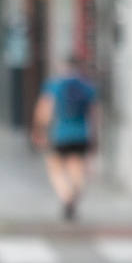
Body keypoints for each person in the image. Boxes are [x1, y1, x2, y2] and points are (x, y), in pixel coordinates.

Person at [31, 55, 98, 221]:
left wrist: (39, 130)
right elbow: (94, 114)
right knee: (78, 169)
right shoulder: (88, 87)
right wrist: (95, 137)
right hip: (82, 133)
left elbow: (45, 110)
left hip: (61, 133)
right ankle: (74, 194)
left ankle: (66, 195)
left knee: (54, 167)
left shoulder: (54, 85)